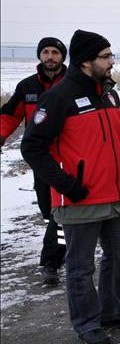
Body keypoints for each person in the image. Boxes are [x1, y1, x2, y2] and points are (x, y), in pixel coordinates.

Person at [21, 30, 120, 344]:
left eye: (111, 55)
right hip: (79, 199)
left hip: (113, 195)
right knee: (80, 266)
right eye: (106, 56)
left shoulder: (109, 95)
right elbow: (32, 147)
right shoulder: (59, 97)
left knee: (119, 255)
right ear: (87, 61)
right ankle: (87, 323)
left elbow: (117, 145)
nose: (112, 61)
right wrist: (67, 185)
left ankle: (111, 311)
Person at [1, 37, 68, 285]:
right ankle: (62, 246)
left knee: (61, 209)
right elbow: (10, 115)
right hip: (41, 159)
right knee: (49, 210)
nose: (50, 56)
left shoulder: (73, 84)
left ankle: (51, 262)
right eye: (46, 52)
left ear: (63, 57)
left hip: (70, 157)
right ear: (40, 56)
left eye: (55, 52)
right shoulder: (27, 86)